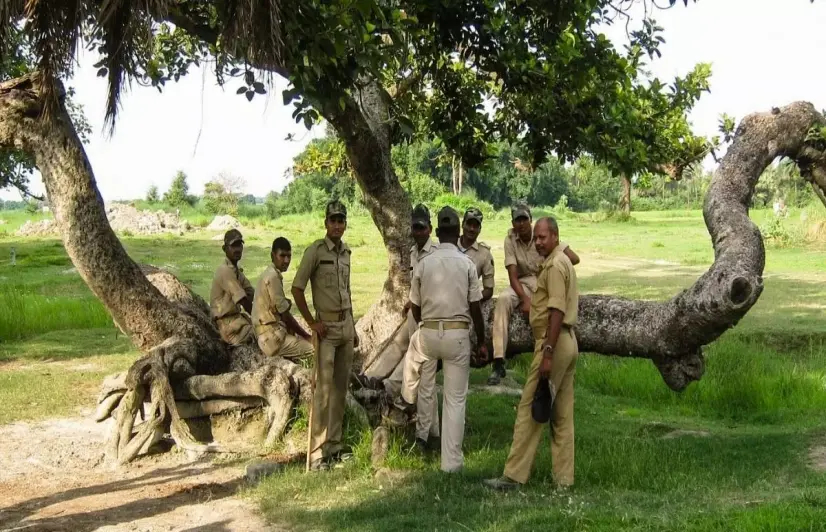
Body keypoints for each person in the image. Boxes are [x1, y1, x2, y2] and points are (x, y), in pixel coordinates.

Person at [484, 217, 580, 491]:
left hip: (554, 343)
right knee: (561, 414)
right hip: (568, 342)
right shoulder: (557, 262)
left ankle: (513, 476)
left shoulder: (555, 265)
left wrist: (547, 353)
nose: (538, 242)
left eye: (542, 237)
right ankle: (564, 481)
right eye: (536, 238)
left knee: (529, 408)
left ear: (556, 237)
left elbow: (557, 311)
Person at [400, 206, 487, 472]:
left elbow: (414, 307)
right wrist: (482, 342)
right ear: (459, 232)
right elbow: (476, 307)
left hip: (428, 333)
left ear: (437, 232)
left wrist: (425, 320)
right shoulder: (467, 263)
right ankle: (451, 463)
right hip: (457, 334)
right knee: (455, 399)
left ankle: (407, 396)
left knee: (418, 366)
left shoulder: (424, 263)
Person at [292, 200, 357, 471]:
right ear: (325, 222)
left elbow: (348, 291)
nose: (338, 225)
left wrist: (353, 327)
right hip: (326, 329)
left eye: (341, 220)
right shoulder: (315, 252)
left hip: (346, 327)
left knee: (341, 389)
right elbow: (297, 288)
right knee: (323, 391)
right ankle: (317, 452)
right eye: (333, 220)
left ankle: (334, 444)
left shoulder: (346, 253)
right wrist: (310, 322)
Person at [488, 203, 580, 385]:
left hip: (542, 279)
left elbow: (574, 258)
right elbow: (512, 275)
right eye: (517, 220)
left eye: (524, 219)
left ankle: (546, 351)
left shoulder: (542, 234)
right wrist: (524, 299)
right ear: (512, 222)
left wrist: (555, 261)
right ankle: (498, 360)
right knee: (504, 300)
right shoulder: (510, 240)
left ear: (530, 220)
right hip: (521, 282)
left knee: (551, 309)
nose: (521, 224)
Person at [251, 237, 314, 360]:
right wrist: (307, 336)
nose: (286, 260)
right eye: (282, 256)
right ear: (273, 255)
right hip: (272, 339)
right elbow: (285, 315)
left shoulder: (270, 273)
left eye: (289, 256)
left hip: (266, 336)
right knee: (315, 350)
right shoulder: (273, 277)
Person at [210, 228, 255, 346]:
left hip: (237, 321)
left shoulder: (237, 272)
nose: (238, 249)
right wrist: (261, 319)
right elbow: (244, 301)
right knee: (266, 334)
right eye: (233, 246)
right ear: (225, 249)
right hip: (228, 327)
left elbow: (252, 293)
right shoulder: (225, 271)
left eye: (239, 245)